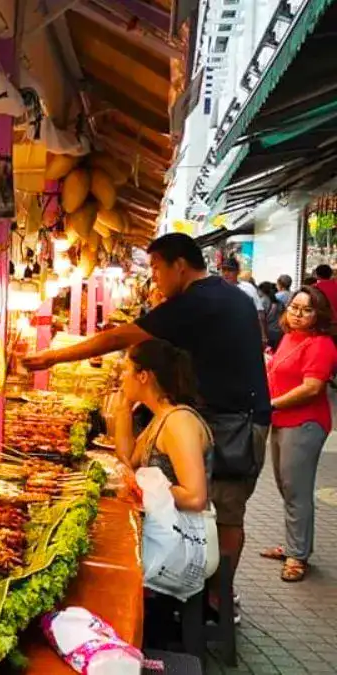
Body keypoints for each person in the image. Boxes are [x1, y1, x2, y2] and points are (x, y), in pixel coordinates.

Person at [24, 233, 269, 615]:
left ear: (180, 266)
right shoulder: (226, 295)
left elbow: (122, 335)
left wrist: (53, 358)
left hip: (236, 423)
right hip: (231, 415)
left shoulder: (198, 300)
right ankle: (207, 594)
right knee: (217, 508)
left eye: (156, 268)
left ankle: (218, 601)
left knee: (225, 510)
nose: (153, 277)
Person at [259, 286, 337, 582]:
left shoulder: (320, 344)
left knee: (297, 491)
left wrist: (271, 404)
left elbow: (312, 387)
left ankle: (297, 556)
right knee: (288, 488)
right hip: (283, 421)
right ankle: (296, 545)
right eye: (294, 307)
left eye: (306, 310)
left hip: (304, 424)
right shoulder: (291, 338)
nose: (297, 314)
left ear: (319, 314)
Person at [114, 339, 212, 512]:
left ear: (143, 376)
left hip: (181, 533)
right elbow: (128, 460)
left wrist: (141, 486)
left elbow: (195, 498)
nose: (121, 377)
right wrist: (123, 409)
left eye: (126, 370)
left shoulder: (179, 422)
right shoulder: (161, 416)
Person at [222, 259, 267, 345]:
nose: (226, 273)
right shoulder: (217, 289)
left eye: (230, 270)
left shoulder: (248, 288)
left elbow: (259, 312)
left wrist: (263, 335)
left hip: (246, 336)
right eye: (224, 270)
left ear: (238, 272)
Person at [259, 281, 285, 350]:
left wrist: (263, 335)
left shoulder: (263, 301)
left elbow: (261, 318)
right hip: (279, 333)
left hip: (267, 333)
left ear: (262, 291)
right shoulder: (280, 302)